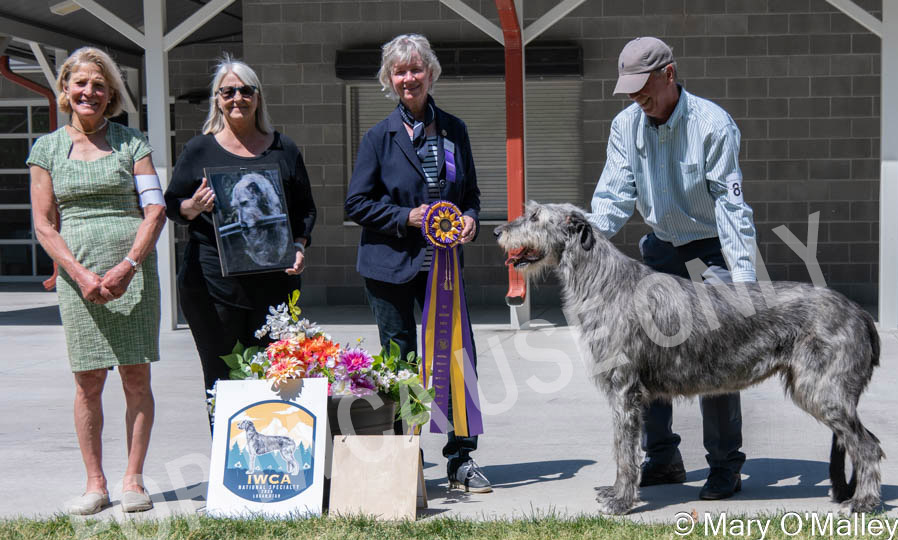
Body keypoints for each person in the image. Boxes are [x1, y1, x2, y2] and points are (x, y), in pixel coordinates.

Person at [588, 37, 758, 501]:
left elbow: (731, 207)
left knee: (719, 355)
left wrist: (742, 283)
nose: (636, 98)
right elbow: (614, 196)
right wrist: (580, 233)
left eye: (643, 87)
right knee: (643, 355)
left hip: (710, 251)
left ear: (669, 73)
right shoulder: (626, 125)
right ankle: (662, 458)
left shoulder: (712, 124)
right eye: (629, 90)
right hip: (660, 251)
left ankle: (725, 466)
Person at [344, 34, 490, 493]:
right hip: (389, 267)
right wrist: (406, 216)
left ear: (431, 73)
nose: (409, 78)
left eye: (416, 69)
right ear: (389, 79)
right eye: (400, 71)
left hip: (442, 266)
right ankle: (407, 457)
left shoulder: (454, 129)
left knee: (454, 362)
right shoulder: (377, 136)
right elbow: (356, 203)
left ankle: (461, 460)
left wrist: (468, 219)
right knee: (401, 362)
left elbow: (471, 197)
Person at [27, 47, 166, 515]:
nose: (89, 92)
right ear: (65, 89)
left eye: (99, 85)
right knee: (87, 381)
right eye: (81, 83)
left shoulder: (132, 143)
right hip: (77, 276)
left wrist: (128, 265)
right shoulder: (46, 149)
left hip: (133, 273)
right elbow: (45, 224)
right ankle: (95, 483)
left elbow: (156, 209)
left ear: (111, 95)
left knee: (136, 375)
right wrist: (81, 274)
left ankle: (133, 480)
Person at [164, 56, 316, 429]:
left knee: (276, 375)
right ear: (217, 99)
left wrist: (298, 245)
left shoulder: (284, 149)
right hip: (213, 286)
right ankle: (228, 467)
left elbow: (305, 211)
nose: (237, 98)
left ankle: (271, 465)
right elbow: (171, 204)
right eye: (228, 91)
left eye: (245, 91)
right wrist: (191, 206)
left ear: (257, 97)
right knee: (221, 376)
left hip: (275, 285)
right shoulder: (199, 150)